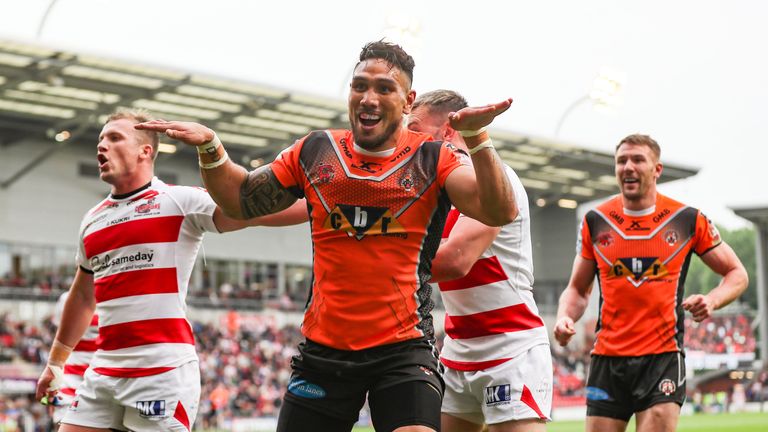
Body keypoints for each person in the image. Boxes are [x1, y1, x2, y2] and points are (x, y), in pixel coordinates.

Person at [136, 40, 518, 432]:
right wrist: (212, 148)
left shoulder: (432, 157)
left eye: (384, 88)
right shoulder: (316, 151)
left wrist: (477, 138)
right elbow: (241, 200)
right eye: (359, 86)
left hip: (404, 349)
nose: (368, 98)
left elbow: (499, 210)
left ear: (407, 101)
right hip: (324, 353)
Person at [35, 108, 260, 432]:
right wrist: (56, 363)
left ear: (146, 151)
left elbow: (252, 209)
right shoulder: (93, 220)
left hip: (161, 371)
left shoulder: (178, 201)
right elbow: (83, 298)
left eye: (114, 138)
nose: (102, 145)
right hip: (103, 371)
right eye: (100, 139)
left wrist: (320, 206)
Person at [553, 133, 749, 432]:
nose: (628, 167)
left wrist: (711, 300)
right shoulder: (596, 220)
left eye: (637, 160)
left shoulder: (687, 220)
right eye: (621, 161)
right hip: (608, 359)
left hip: (662, 358)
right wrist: (565, 316)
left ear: (656, 169)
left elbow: (737, 273)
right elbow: (578, 289)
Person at [408, 90, 551, 432]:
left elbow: (455, 260)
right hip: (457, 352)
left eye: (414, 128)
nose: (406, 140)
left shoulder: (493, 182)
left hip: (511, 347)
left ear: (446, 132)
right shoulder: (434, 189)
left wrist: (378, 267)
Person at [49, 292, 98, 426]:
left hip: (98, 383)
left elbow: (59, 341)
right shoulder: (67, 299)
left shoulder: (68, 298)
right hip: (72, 384)